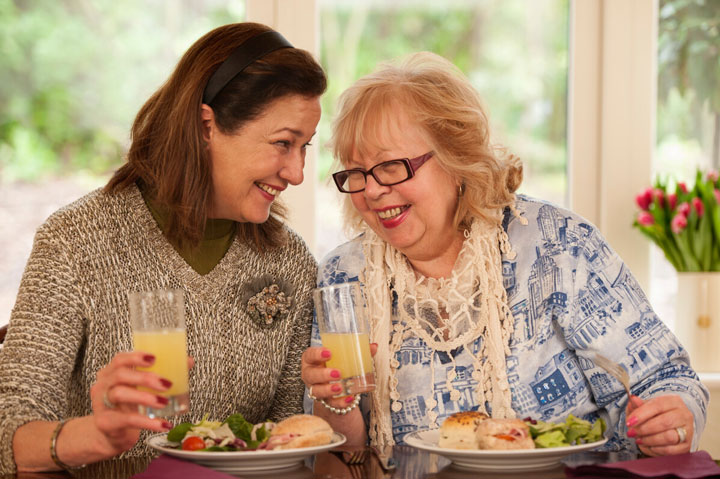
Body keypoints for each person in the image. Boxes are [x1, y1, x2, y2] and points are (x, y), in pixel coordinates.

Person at [301, 52, 708, 456]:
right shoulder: (345, 275)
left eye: (391, 166)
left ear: (456, 159)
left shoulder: (557, 246)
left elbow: (665, 379)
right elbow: (344, 458)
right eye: (356, 172)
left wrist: (671, 420)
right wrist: (337, 401)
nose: (371, 190)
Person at [0, 22, 326, 474]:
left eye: (305, 147)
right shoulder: (77, 242)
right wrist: (95, 435)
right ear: (206, 125)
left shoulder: (289, 262)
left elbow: (289, 436)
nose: (296, 173)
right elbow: (9, 430)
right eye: (283, 144)